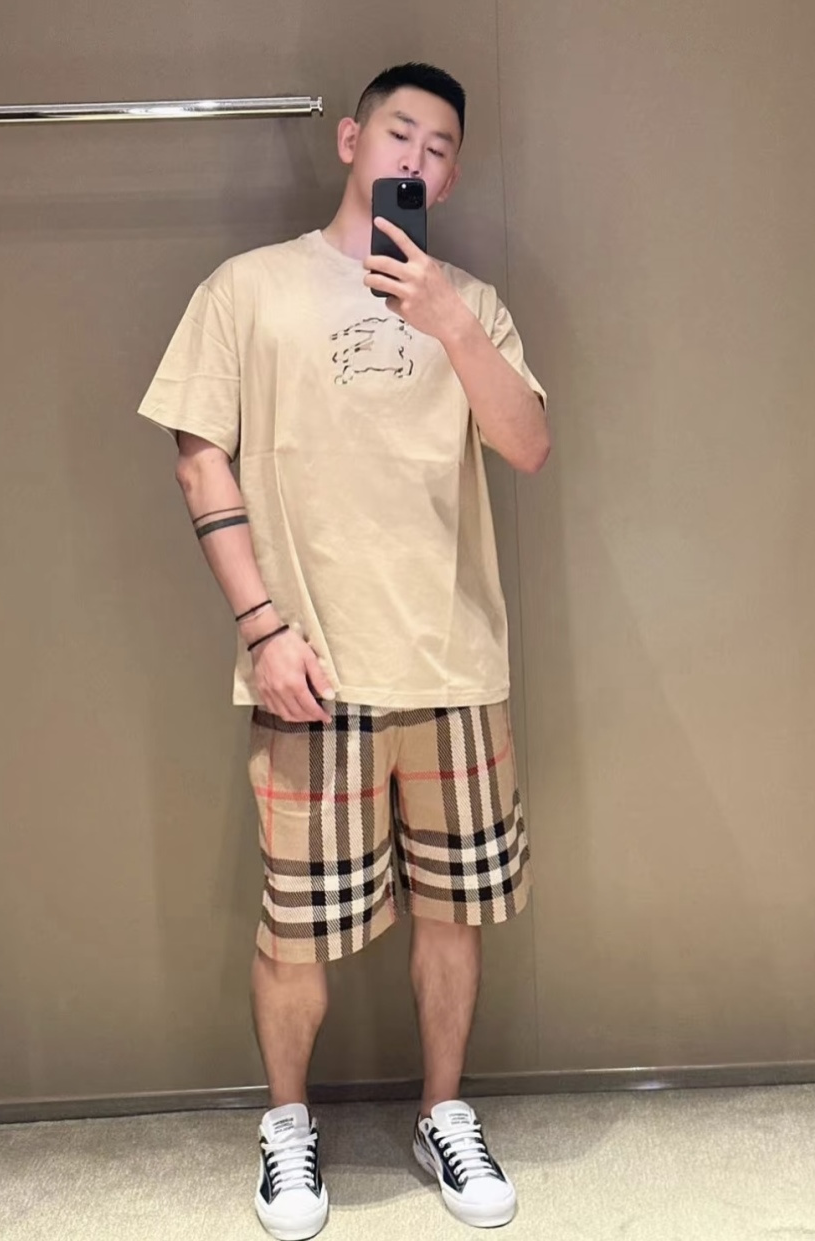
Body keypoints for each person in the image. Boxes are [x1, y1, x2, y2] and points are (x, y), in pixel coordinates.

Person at [138, 61, 549, 1240]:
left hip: (452, 662)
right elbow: (198, 456)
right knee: (296, 926)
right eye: (399, 132)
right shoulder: (250, 287)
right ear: (352, 141)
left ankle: (444, 1110)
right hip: (310, 665)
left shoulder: (473, 303)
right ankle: (286, 1123)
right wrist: (261, 627)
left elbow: (526, 444)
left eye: (440, 146)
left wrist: (449, 321)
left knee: (453, 914)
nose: (416, 156)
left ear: (452, 176)